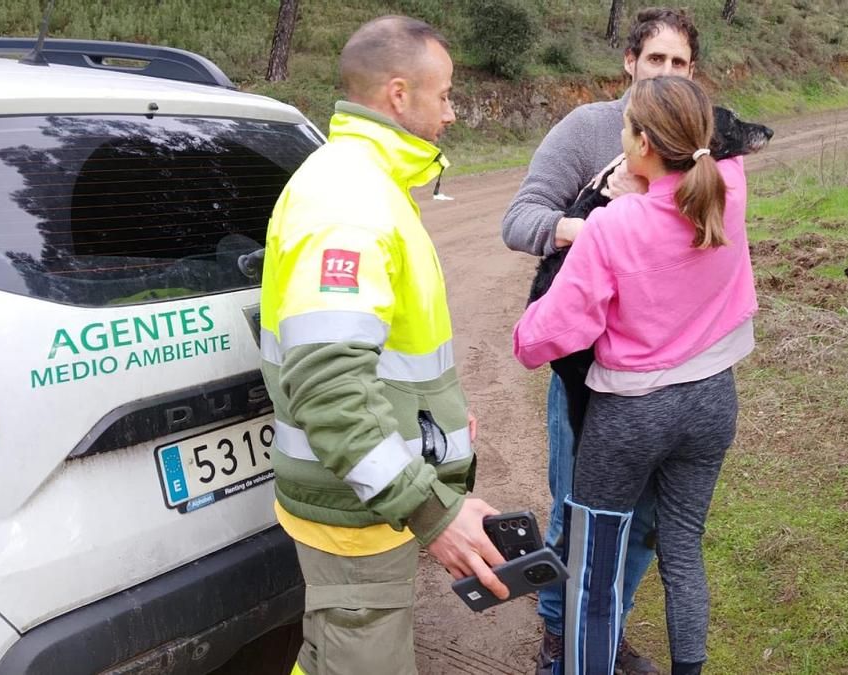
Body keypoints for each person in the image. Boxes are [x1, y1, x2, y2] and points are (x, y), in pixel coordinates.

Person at [259, 16, 509, 675]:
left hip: (361, 496)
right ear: (399, 94)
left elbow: (384, 353)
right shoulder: (349, 199)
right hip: (354, 506)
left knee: (330, 652)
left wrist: (435, 419)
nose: (451, 113)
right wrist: (435, 513)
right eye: (445, 95)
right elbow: (329, 386)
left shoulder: (370, 186)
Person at [515, 76, 756, 675]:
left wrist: (614, 205)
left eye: (626, 129)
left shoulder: (614, 226)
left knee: (593, 566)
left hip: (631, 413)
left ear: (642, 144)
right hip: (712, 400)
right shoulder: (729, 188)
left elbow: (539, 340)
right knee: (683, 551)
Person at [500, 8, 699, 674]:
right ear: (630, 62)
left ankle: (605, 626)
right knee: (577, 513)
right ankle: (561, 635)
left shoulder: (697, 139)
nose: (666, 72)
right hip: (586, 369)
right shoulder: (588, 129)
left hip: (667, 368)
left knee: (644, 518)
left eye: (679, 63)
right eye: (655, 59)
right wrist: (596, 230)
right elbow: (519, 220)